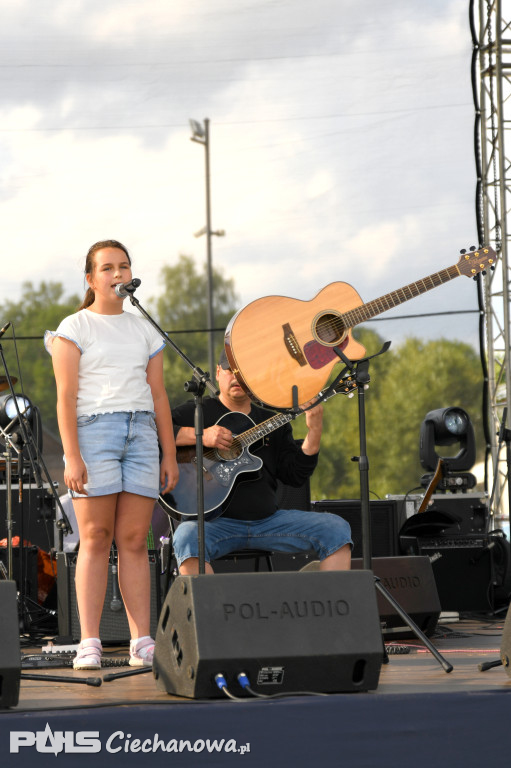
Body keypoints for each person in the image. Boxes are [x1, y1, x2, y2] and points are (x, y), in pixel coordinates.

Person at [45, 240, 179, 670]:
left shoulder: (144, 329)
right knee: (96, 538)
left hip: (141, 433)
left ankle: (142, 640)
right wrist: (72, 456)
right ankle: (89, 640)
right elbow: (65, 397)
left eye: (124, 267)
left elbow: (159, 396)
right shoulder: (75, 326)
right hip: (94, 432)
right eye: (107, 268)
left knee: (135, 540)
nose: (117, 274)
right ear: (91, 279)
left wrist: (169, 454)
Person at [171, 349, 352, 574]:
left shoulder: (272, 420)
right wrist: (201, 435)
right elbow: (154, 432)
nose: (236, 377)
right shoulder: (196, 412)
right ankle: (211, 607)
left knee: (337, 529)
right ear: (218, 373)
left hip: (268, 522)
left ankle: (327, 605)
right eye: (229, 370)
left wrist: (314, 432)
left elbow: (295, 476)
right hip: (213, 526)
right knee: (186, 536)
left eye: (243, 372)